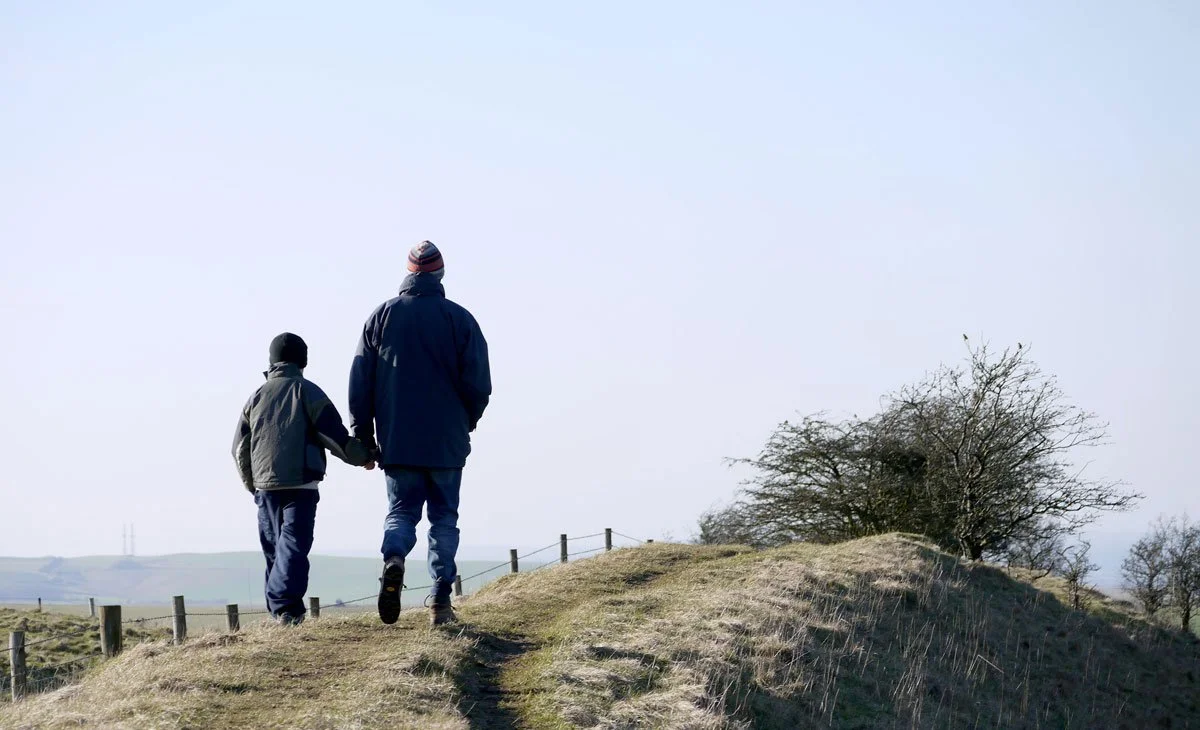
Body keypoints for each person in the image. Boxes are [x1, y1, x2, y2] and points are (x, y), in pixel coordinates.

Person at [349, 241, 492, 627]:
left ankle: (394, 558)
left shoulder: (381, 317)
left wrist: (364, 436)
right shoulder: (460, 320)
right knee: (444, 519)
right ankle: (441, 601)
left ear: (409, 273)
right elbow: (479, 384)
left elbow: (360, 382)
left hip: (398, 441)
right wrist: (467, 421)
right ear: (440, 274)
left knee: (401, 512)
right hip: (446, 442)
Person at [233, 333, 374, 624]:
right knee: (293, 548)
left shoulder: (255, 397)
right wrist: (364, 457)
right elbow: (334, 438)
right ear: (303, 360)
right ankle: (287, 609)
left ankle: (282, 612)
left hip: (265, 488)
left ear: (272, 361)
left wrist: (253, 485)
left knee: (275, 551)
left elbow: (238, 449)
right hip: (301, 485)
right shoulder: (307, 392)